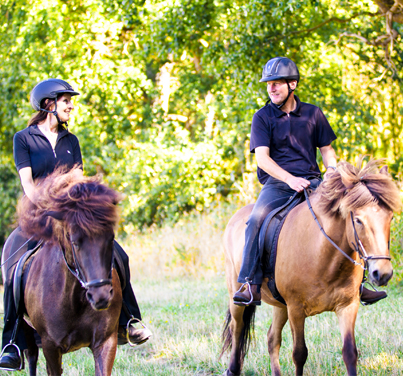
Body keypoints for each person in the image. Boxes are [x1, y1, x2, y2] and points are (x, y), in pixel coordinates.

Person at [0, 79, 151, 371]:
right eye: (66, 100)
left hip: (72, 213)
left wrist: (84, 206)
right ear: (48, 104)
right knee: (13, 265)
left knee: (118, 254)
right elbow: (28, 184)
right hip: (38, 215)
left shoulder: (72, 141)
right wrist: (49, 207)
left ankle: (129, 320)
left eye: (71, 100)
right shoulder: (24, 138)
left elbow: (78, 181)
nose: (71, 105)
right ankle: (12, 341)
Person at [233, 57, 387, 307]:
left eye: (277, 83)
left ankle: (359, 283)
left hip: (314, 182)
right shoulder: (261, 117)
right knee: (256, 219)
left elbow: (326, 149)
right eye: (268, 84)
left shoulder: (313, 113)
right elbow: (262, 159)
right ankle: (249, 283)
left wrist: (332, 171)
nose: (271, 88)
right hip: (277, 185)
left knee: (347, 215)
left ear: (292, 84)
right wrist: (289, 179)